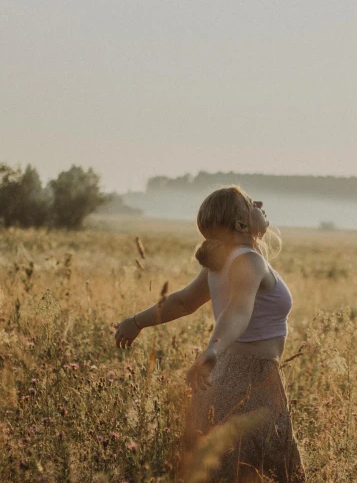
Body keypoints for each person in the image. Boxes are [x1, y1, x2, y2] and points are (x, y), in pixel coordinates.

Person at [114, 186, 305, 482]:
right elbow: (238, 311)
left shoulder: (225, 262)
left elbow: (182, 302)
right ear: (242, 225)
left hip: (225, 376)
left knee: (224, 470)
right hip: (251, 379)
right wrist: (212, 350)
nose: (260, 203)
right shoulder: (249, 262)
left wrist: (136, 322)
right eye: (250, 202)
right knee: (272, 470)